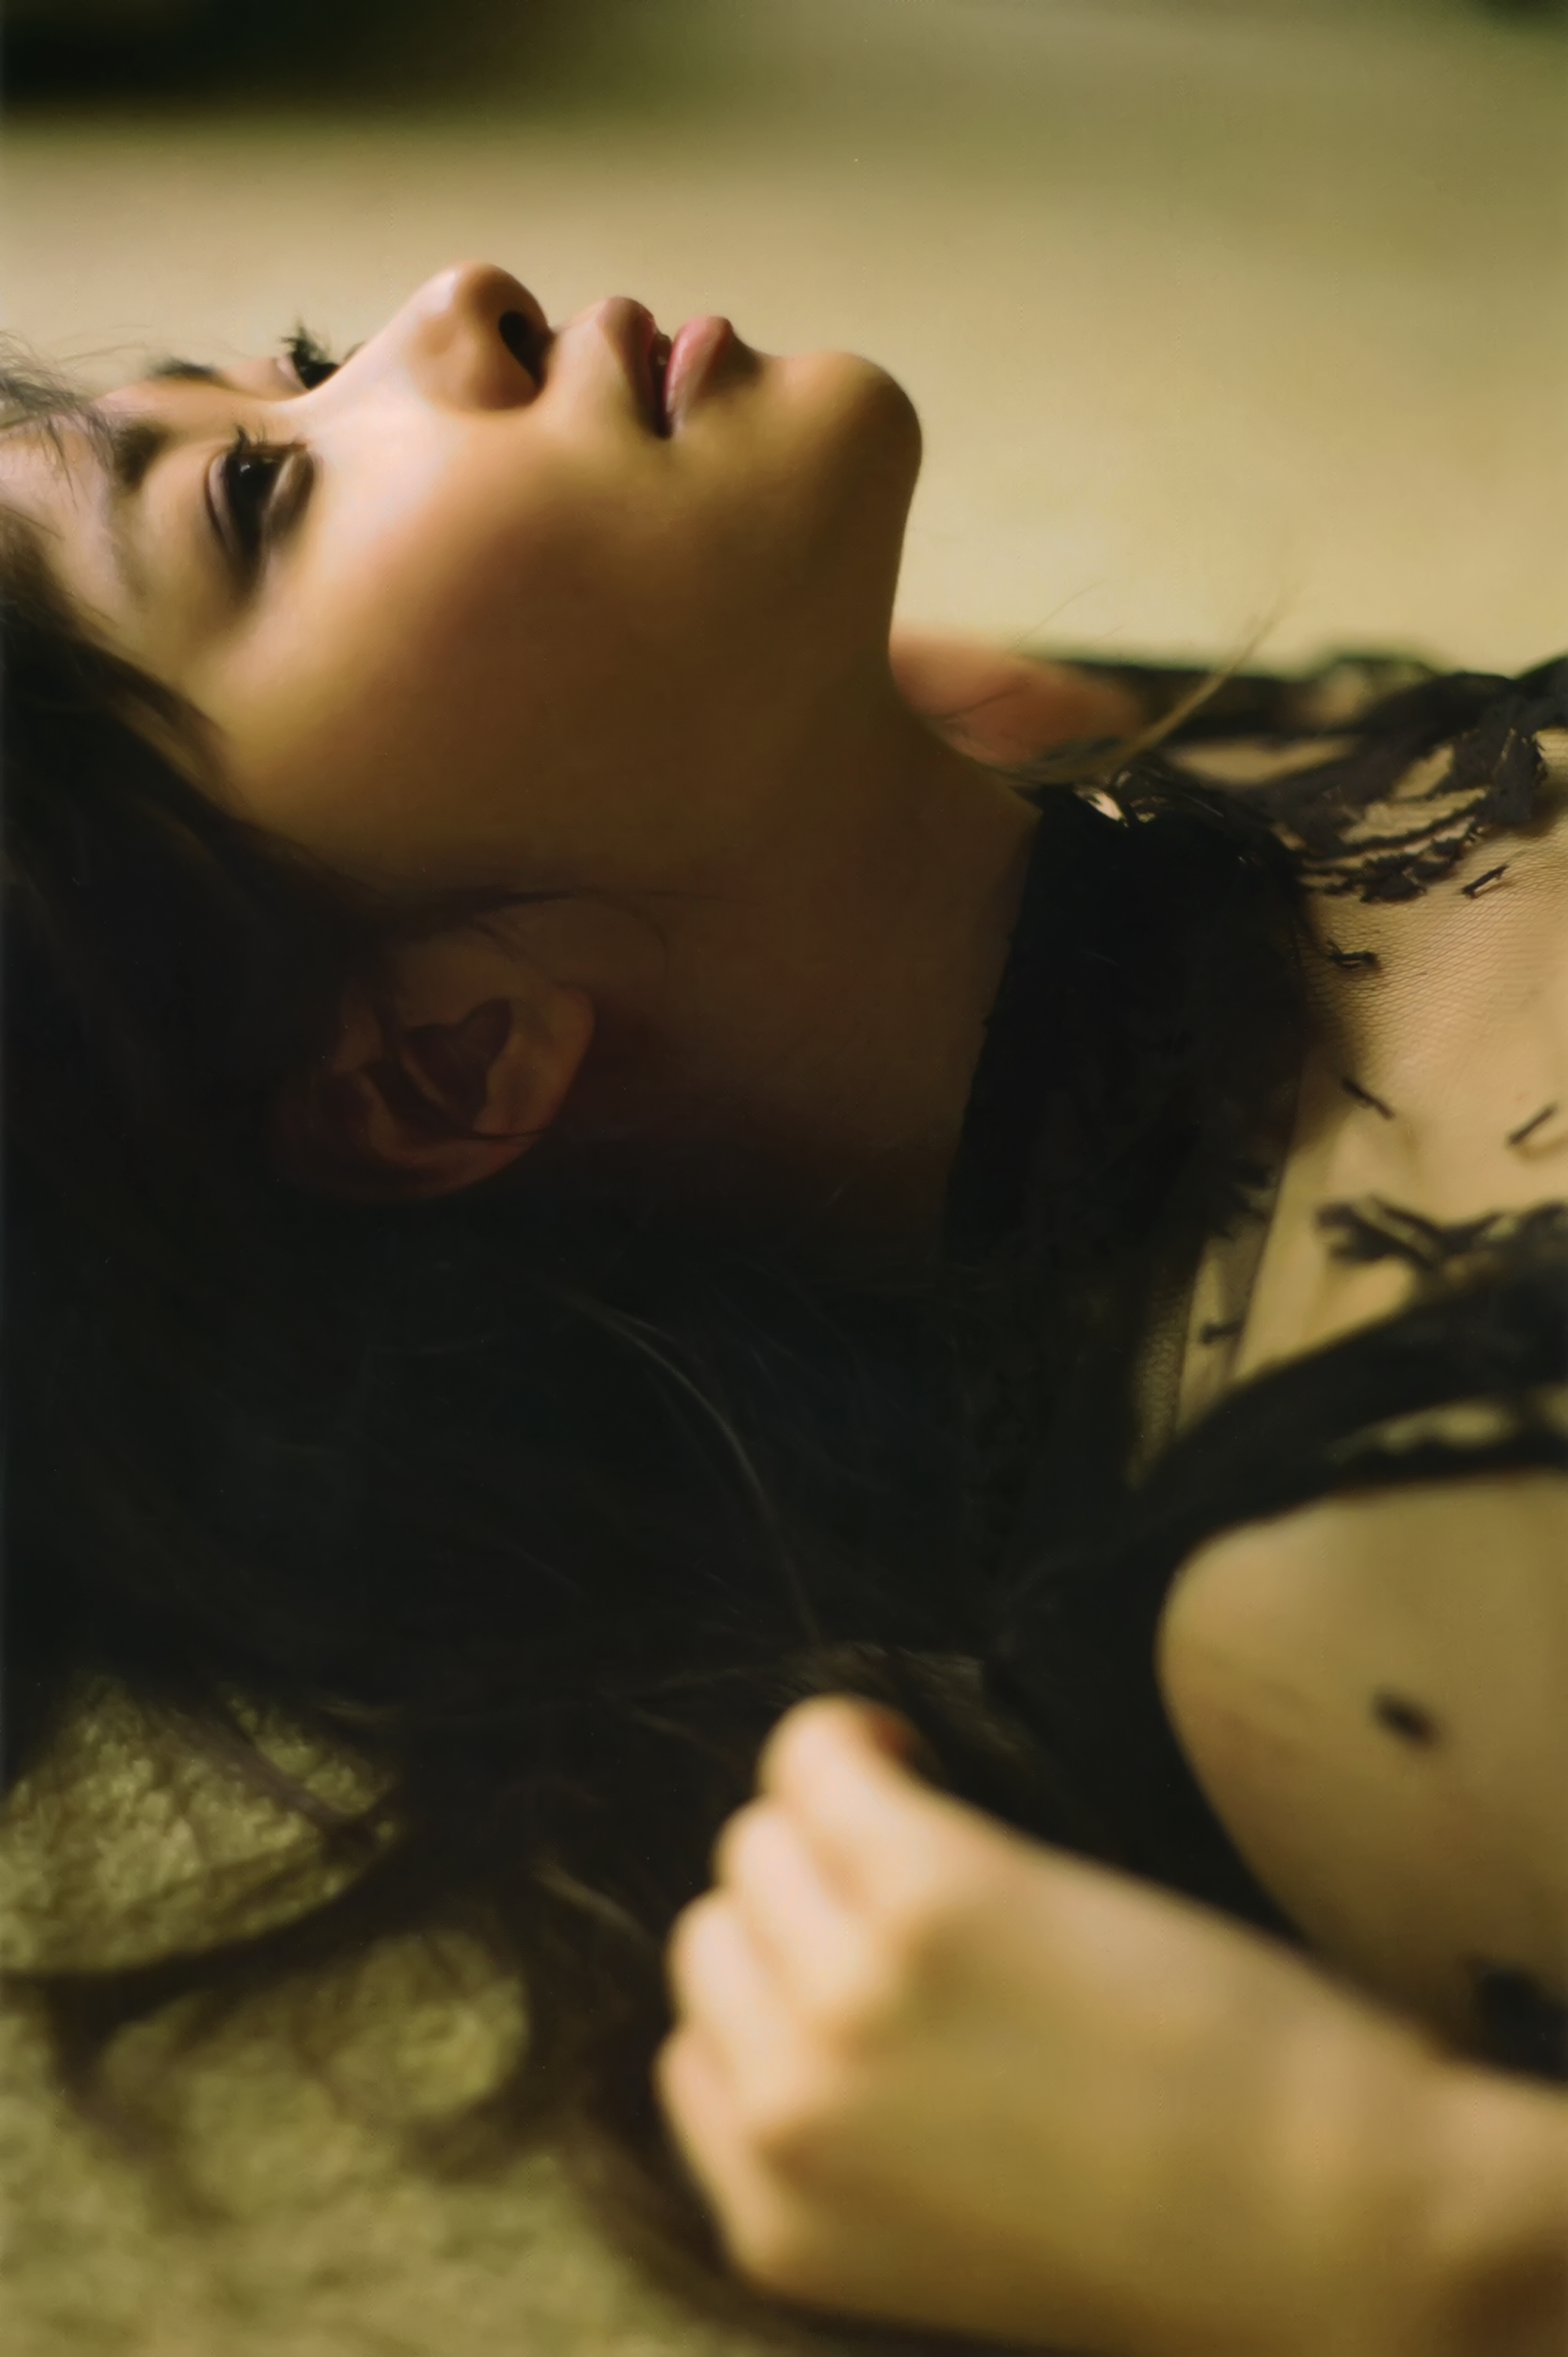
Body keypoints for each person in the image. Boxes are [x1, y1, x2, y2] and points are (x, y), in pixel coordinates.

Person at [2, 262, 1563, 2355]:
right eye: (259, 501)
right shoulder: (1373, 1572)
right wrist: (1426, 2240)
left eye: (288, 374)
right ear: (440, 1070)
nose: (448, 302)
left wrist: (851, 775)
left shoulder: (1173, 804)